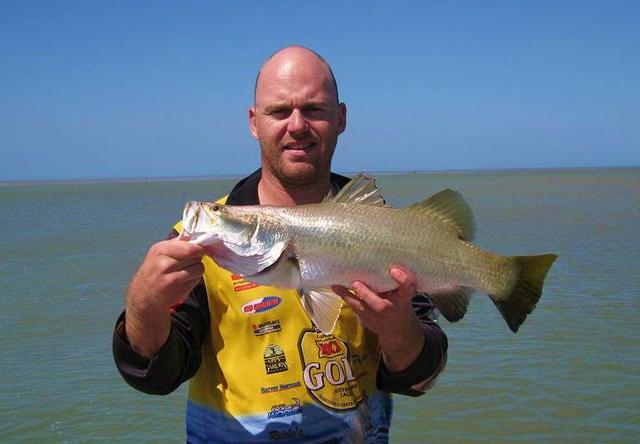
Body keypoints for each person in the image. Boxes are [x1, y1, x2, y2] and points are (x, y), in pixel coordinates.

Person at [113, 46, 448, 443]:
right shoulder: (199, 243)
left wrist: (398, 331)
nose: (297, 125)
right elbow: (157, 375)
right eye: (278, 111)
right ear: (254, 123)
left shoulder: (388, 232)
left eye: (314, 109)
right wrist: (142, 307)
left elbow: (422, 378)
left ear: (340, 118)